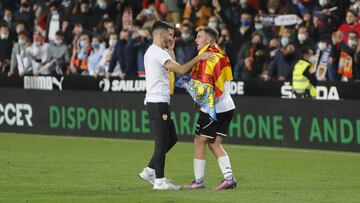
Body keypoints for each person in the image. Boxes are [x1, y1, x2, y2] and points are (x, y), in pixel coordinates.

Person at [138, 21, 212, 190]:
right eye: (170, 34)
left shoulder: (156, 52)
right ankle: (159, 181)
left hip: (159, 102)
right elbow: (181, 69)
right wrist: (198, 57)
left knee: (172, 138)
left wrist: (171, 48)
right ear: (160, 34)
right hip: (158, 103)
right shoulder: (157, 53)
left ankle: (150, 170)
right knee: (162, 141)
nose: (172, 37)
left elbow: (173, 65)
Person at [177, 26, 237, 190]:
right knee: (214, 144)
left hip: (213, 108)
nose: (196, 40)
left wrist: (188, 85)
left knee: (199, 141)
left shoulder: (207, 58)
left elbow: (206, 90)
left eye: (199, 36)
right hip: (227, 105)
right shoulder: (220, 54)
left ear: (209, 40)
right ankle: (229, 178)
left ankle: (198, 181)